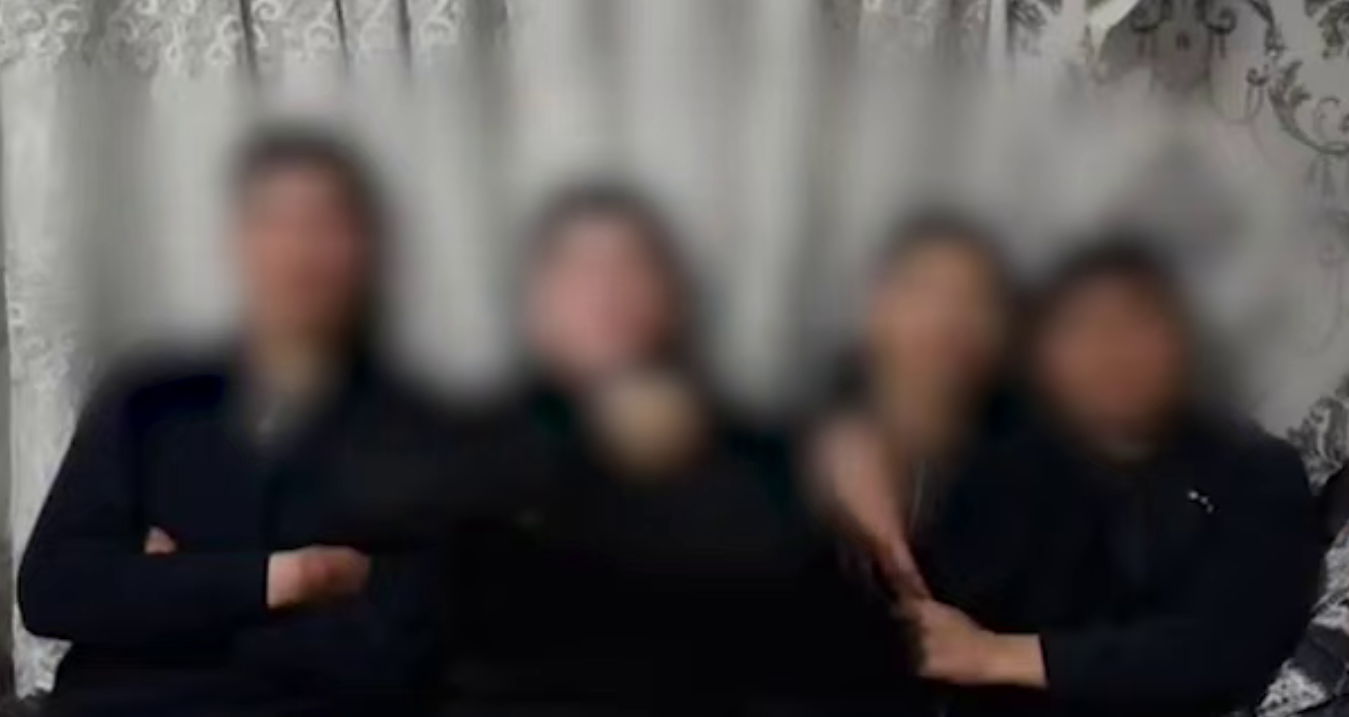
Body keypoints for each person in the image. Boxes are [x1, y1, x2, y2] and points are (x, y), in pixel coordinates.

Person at [18, 127, 445, 717]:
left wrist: (173, 589)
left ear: (365, 249)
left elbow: (396, 654)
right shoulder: (151, 393)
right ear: (237, 244)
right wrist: (295, 578)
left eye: (323, 224)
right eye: (274, 223)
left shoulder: (419, 424)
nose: (297, 252)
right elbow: (53, 591)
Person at [908, 238, 1323, 717]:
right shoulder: (1010, 438)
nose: (1109, 349)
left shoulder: (1257, 473)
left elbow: (1221, 644)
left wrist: (992, 656)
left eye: (1135, 320)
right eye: (1078, 327)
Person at [434, 183, 805, 717]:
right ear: (536, 308)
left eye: (630, 267)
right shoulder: (468, 457)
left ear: (675, 296)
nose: (605, 293)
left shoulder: (766, 460)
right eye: (577, 272)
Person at [796, 211, 1019, 715]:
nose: (949, 320)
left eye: (975, 299)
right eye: (926, 292)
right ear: (875, 309)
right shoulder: (790, 457)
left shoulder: (1033, 476)